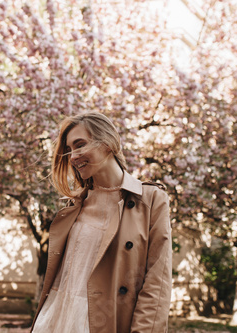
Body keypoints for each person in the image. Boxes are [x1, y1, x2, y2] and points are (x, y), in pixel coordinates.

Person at [31, 112, 172, 333]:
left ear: (107, 143)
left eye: (79, 145)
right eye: (69, 150)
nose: (73, 156)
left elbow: (157, 282)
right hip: (58, 318)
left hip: (105, 321)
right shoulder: (74, 206)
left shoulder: (151, 200)